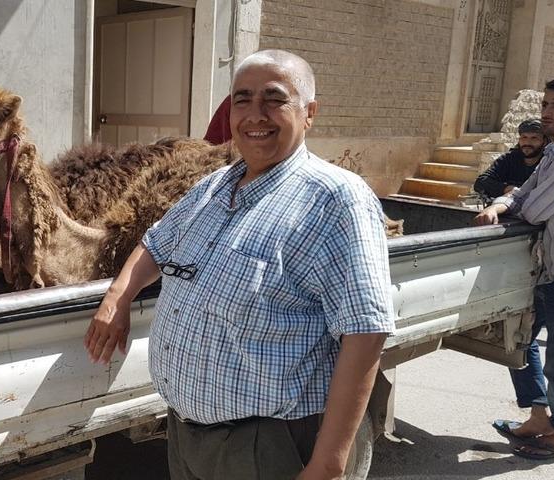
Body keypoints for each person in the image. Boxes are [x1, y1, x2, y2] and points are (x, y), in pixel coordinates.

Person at [84, 49, 394, 479]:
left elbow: (365, 332)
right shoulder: (213, 187)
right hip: (185, 434)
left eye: (274, 99)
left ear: (309, 113)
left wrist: (328, 464)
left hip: (262, 447)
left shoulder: (337, 199)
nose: (255, 114)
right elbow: (156, 243)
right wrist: (117, 297)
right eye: (242, 99)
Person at [475, 76, 554, 460]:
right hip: (552, 268)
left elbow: (533, 208)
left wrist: (510, 203)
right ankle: (538, 416)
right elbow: (521, 192)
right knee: (520, 338)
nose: (547, 112)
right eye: (546, 104)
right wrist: (500, 203)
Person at [473, 119, 546, 205]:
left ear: (544, 141)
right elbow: (481, 182)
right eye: (524, 137)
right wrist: (508, 189)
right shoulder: (509, 159)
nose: (527, 142)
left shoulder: (548, 162)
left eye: (534, 138)